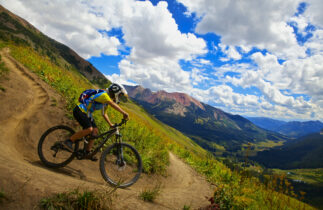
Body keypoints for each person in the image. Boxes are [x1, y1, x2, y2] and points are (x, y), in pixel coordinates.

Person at [63, 83, 129, 161]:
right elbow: (112, 104)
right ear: (116, 91)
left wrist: (110, 124)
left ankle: (87, 152)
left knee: (95, 131)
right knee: (89, 129)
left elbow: (104, 114)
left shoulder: (106, 101)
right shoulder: (104, 95)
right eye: (120, 95)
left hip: (87, 113)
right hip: (80, 110)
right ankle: (69, 141)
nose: (120, 98)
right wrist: (124, 113)